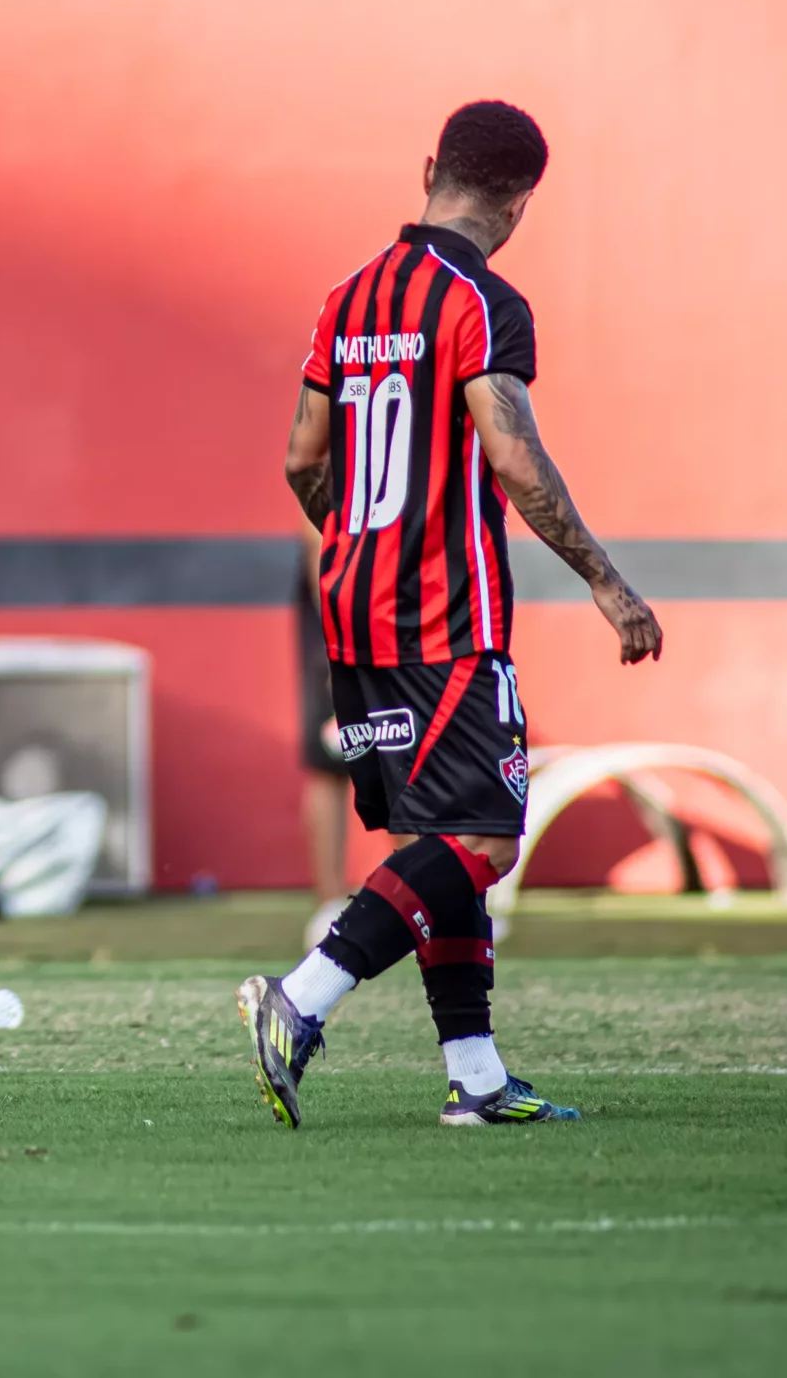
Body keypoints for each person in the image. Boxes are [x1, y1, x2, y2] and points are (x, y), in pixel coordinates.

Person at [240, 100, 663, 1128]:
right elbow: (512, 455)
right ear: (520, 203)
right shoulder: (483, 300)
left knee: (438, 838)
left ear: (430, 167)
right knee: (484, 838)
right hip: (445, 614)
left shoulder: (345, 299)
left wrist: (356, 536)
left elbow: (300, 457)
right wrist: (606, 580)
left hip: (353, 608)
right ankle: (304, 996)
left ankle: (475, 1077)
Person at [293, 516, 378, 950]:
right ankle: (330, 907)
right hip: (343, 598)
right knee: (331, 760)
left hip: (396, 591)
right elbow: (317, 530)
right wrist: (337, 640)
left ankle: (422, 901)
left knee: (406, 754)